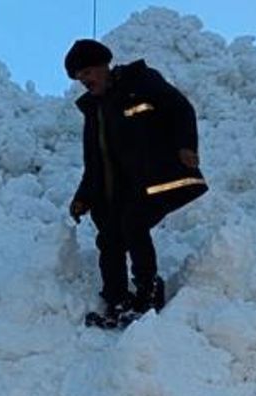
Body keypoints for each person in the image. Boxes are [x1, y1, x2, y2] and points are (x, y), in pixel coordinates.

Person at [65, 39, 207, 329]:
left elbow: (180, 109)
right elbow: (94, 163)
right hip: (115, 192)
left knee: (133, 222)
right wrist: (83, 197)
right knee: (109, 238)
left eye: (87, 73)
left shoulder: (139, 81)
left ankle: (148, 291)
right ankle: (116, 301)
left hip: (152, 179)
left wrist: (186, 145)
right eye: (79, 78)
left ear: (104, 65)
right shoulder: (94, 112)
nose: (85, 82)